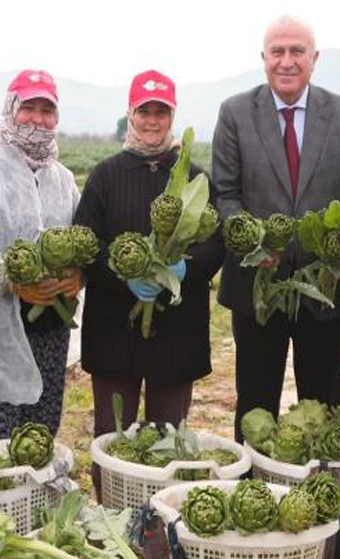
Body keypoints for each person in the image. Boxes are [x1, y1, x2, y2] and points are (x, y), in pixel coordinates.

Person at [212, 15, 340, 440]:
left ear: (314, 59)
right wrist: (256, 244)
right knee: (255, 409)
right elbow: (224, 194)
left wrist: (335, 249)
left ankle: (320, 498)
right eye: (277, 51)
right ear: (263, 59)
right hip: (257, 290)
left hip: (325, 291)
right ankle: (252, 497)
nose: (286, 61)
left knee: (322, 410)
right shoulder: (235, 113)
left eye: (296, 51)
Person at [74, 70, 223, 493]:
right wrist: (126, 275)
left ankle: (159, 525)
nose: (152, 121)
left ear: (172, 116)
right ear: (130, 115)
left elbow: (216, 243)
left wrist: (183, 270)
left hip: (176, 331)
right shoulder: (105, 175)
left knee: (168, 441)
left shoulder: (193, 178)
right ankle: (109, 517)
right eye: (145, 112)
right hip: (114, 327)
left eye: (161, 112)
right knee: (111, 435)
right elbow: (87, 242)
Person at [0, 70, 80, 438]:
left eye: (47, 110)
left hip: (50, 327)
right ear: (10, 108)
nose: (38, 119)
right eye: (29, 108)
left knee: (39, 429)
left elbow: (80, 238)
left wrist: (79, 274)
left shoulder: (64, 179)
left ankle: (35, 494)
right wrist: (14, 280)